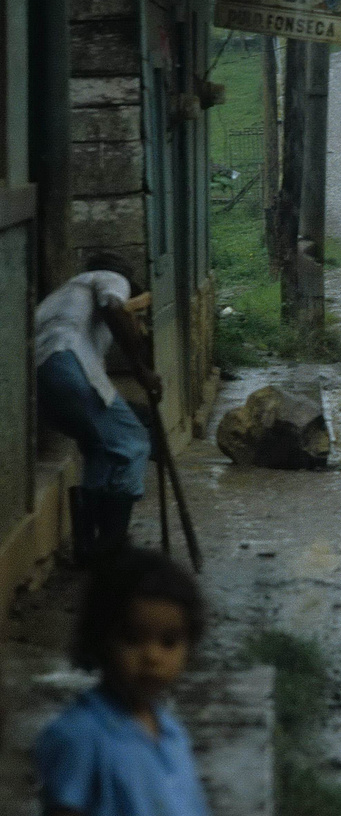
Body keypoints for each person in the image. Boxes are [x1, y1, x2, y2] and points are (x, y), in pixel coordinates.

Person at [33, 547, 211, 816]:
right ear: (99, 638)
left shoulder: (171, 733)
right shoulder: (80, 737)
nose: (152, 656)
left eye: (169, 642)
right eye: (132, 638)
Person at [36, 255, 160, 560]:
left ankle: (87, 547)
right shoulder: (110, 279)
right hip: (67, 363)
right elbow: (113, 307)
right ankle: (112, 548)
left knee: (98, 447)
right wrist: (141, 369)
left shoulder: (62, 295)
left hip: (37, 380)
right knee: (133, 442)